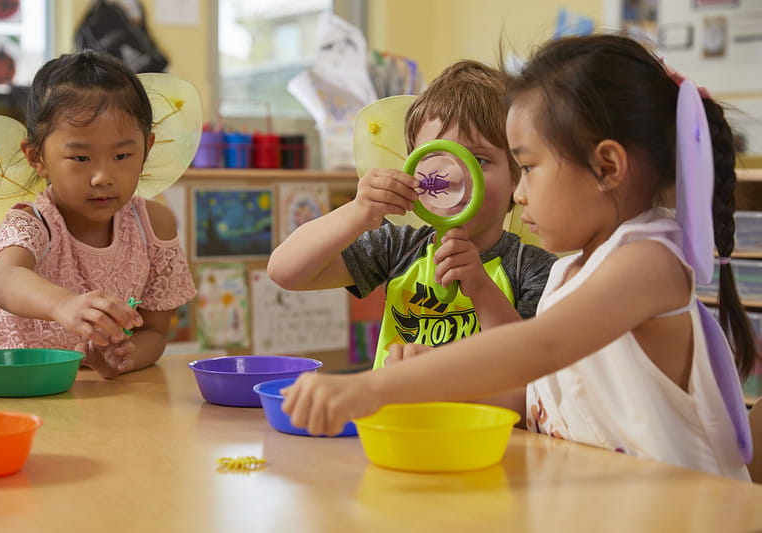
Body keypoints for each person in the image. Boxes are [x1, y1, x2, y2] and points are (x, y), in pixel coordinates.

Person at [281, 34, 760, 481]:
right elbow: (536, 392)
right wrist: (424, 382)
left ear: (607, 166)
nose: (521, 191)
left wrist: (370, 389)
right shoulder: (571, 274)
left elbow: (539, 349)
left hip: (683, 512)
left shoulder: (648, 261)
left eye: (527, 167)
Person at [267, 60, 557, 374]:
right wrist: (356, 212)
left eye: (479, 160)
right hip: (394, 418)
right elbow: (285, 271)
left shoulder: (534, 269)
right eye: (435, 157)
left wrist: (481, 288)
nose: (452, 175)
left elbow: (529, 367)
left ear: (518, 176)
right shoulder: (398, 246)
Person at [0, 50, 197, 378]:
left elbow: (155, 333)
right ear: (36, 157)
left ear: (147, 149)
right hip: (6, 386)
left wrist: (124, 357)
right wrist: (64, 305)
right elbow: (5, 281)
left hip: (87, 394)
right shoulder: (33, 221)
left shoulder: (154, 226)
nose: (103, 176)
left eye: (123, 154)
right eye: (81, 158)